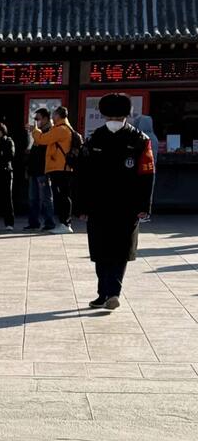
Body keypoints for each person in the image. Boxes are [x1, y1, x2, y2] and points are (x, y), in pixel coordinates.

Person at [73, 93, 154, 311]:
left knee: (110, 250)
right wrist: (144, 207)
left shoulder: (137, 140)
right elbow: (83, 174)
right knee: (110, 250)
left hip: (114, 206)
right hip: (113, 206)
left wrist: (81, 207)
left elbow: (147, 173)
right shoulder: (96, 139)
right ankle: (107, 293)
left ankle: (110, 293)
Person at [32, 105, 76, 232]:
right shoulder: (65, 128)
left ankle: (65, 224)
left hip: (60, 167)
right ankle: (64, 223)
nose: (53, 117)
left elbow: (42, 139)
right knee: (63, 195)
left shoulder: (60, 129)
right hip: (62, 167)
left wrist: (35, 130)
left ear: (58, 115)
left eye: (54, 115)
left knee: (62, 196)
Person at [26, 108, 57, 230]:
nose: (36, 121)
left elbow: (44, 149)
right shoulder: (38, 132)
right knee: (33, 198)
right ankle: (33, 222)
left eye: (38, 118)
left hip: (43, 170)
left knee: (45, 198)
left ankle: (49, 222)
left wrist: (35, 132)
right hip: (34, 170)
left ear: (45, 118)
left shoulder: (50, 131)